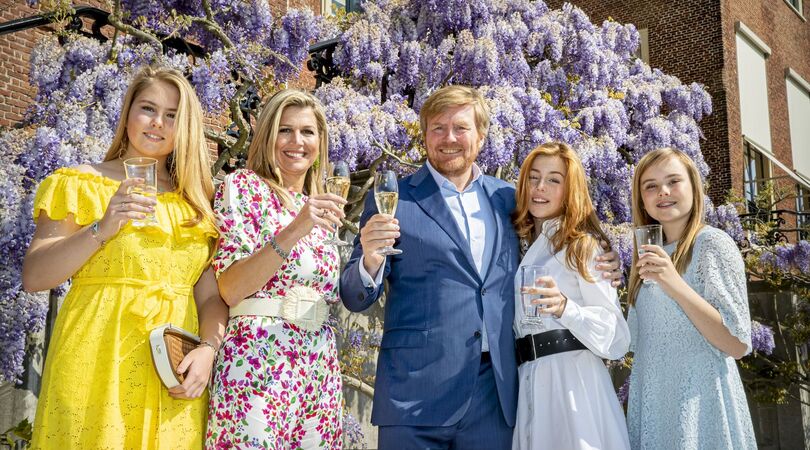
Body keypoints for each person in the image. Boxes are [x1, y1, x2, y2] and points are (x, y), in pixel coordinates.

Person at [340, 86, 622, 449]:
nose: (449, 138)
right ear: (424, 135)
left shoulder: (508, 199)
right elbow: (353, 294)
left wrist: (600, 257)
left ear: (481, 135)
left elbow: (556, 238)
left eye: (460, 128)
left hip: (495, 395)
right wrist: (370, 259)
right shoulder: (396, 199)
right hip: (415, 394)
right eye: (437, 128)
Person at [23, 66, 227, 449]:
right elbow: (35, 275)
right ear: (128, 113)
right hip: (96, 357)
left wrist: (208, 351)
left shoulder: (200, 202)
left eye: (172, 115)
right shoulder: (80, 182)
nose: (158, 123)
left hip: (170, 366)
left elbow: (211, 297)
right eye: (148, 108)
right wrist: (103, 226)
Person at [205, 89, 346, 449]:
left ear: (320, 142)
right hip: (258, 359)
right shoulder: (242, 188)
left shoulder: (321, 206)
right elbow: (231, 288)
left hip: (319, 364)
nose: (296, 142)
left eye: (307, 132)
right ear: (268, 135)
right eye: (285, 130)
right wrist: (296, 228)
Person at [625, 147, 756, 449]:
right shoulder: (645, 255)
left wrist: (674, 284)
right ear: (641, 197)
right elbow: (634, 343)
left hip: (702, 404)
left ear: (694, 187)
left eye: (674, 181)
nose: (663, 192)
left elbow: (735, 343)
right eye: (651, 186)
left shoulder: (711, 243)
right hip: (655, 404)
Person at [510, 142, 630, 450]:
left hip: (572, 383)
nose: (540, 187)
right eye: (533, 177)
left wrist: (565, 307)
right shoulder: (518, 244)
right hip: (529, 378)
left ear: (570, 189)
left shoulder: (583, 247)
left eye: (554, 180)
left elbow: (616, 336)